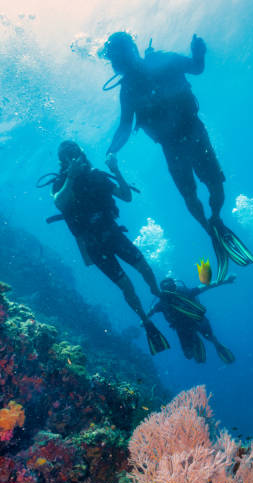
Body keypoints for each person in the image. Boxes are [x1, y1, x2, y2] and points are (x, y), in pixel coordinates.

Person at [100, 31, 253, 281]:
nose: (118, 63)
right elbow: (125, 125)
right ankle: (209, 228)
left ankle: (215, 219)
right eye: (115, 59)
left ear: (131, 50)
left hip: (193, 132)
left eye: (119, 56)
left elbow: (196, 68)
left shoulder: (161, 60)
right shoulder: (127, 89)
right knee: (190, 193)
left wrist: (198, 53)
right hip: (171, 145)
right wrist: (111, 150)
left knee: (214, 184)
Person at [49, 140, 169, 355]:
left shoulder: (97, 176)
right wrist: (71, 176)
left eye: (77, 154)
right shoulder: (60, 183)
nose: (76, 158)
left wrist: (115, 169)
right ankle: (144, 319)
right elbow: (58, 203)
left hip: (113, 234)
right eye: (70, 156)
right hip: (94, 246)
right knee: (127, 285)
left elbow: (127, 196)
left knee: (146, 269)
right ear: (63, 162)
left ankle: (158, 294)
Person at [148, 276, 236, 364]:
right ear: (163, 290)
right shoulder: (163, 303)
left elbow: (205, 286)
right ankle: (198, 340)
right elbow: (151, 311)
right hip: (182, 327)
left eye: (171, 286)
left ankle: (213, 342)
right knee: (188, 355)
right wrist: (144, 319)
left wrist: (225, 281)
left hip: (197, 320)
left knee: (208, 338)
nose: (170, 290)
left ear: (174, 285)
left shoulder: (185, 292)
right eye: (167, 288)